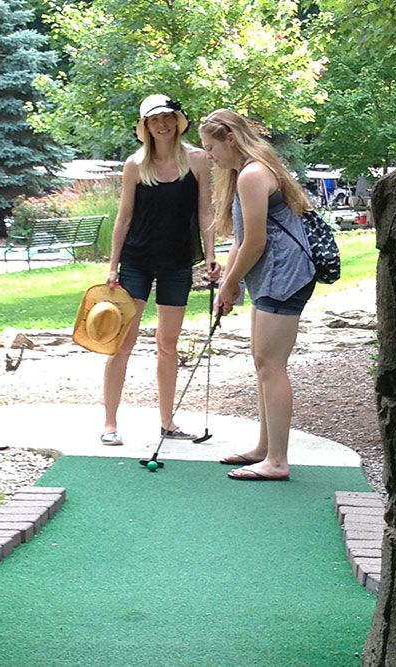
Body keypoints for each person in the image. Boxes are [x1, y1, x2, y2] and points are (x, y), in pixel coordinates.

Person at [198, 109, 317, 481]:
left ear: (229, 138)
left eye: (211, 146)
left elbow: (256, 242)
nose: (209, 155)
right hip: (270, 275)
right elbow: (240, 239)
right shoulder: (244, 173)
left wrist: (232, 283)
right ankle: (264, 448)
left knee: (271, 363)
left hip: (285, 275)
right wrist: (226, 286)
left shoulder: (252, 174)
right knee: (262, 360)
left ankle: (277, 461)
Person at [101, 93, 220, 446]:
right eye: (155, 120)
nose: (163, 124)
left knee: (168, 344)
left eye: (168, 117)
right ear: (146, 127)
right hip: (136, 261)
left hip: (178, 262)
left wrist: (211, 256)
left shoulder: (198, 161)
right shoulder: (134, 165)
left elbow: (205, 212)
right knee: (122, 344)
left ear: (178, 121)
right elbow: (123, 218)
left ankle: (168, 422)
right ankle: (109, 424)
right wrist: (112, 266)